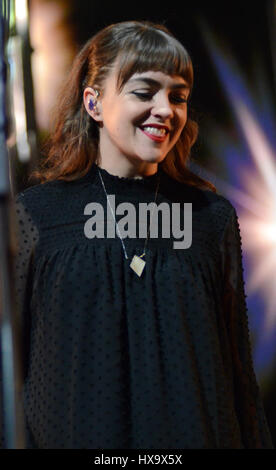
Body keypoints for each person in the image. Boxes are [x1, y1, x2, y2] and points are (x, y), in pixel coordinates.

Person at [1, 20, 274, 449]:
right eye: (145, 92)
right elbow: (10, 368)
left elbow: (238, 374)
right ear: (93, 103)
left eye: (178, 96)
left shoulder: (210, 218)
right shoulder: (37, 215)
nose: (166, 109)